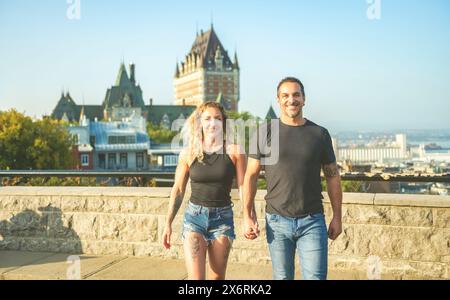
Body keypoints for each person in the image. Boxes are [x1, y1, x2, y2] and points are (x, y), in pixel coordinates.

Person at [243, 77, 343, 280]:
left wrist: (337, 217)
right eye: (285, 95)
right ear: (278, 100)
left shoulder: (319, 134)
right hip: (276, 221)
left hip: (312, 221)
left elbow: (333, 177)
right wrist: (247, 215)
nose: (291, 100)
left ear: (304, 99)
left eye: (296, 95)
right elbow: (250, 176)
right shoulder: (265, 132)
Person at [162, 101, 246, 280]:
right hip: (194, 219)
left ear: (223, 123)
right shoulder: (188, 153)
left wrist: (248, 218)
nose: (212, 123)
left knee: (217, 279)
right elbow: (178, 189)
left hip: (222, 219)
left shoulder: (235, 151)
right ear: (200, 122)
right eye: (207, 118)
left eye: (217, 118)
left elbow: (244, 186)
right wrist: (168, 223)